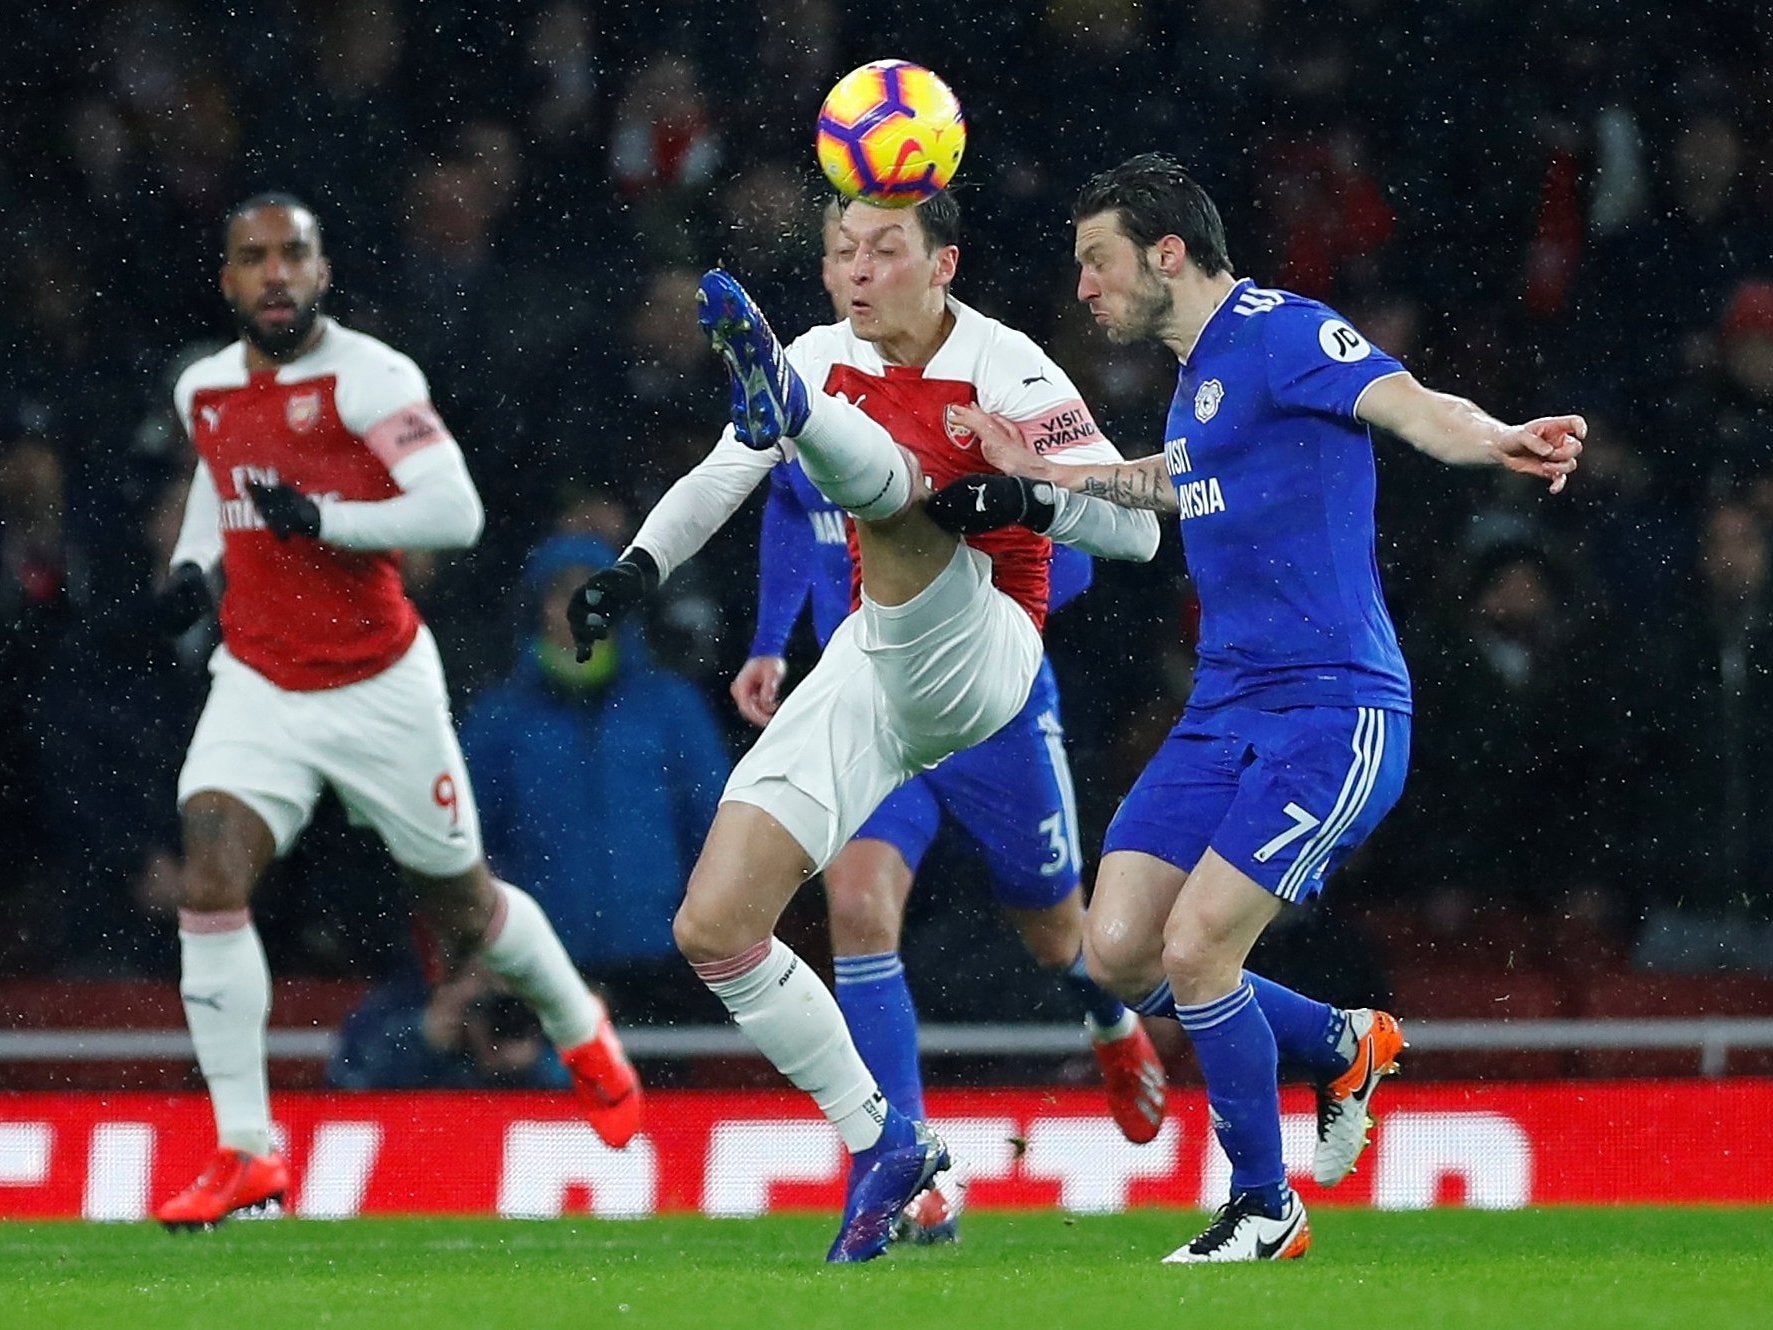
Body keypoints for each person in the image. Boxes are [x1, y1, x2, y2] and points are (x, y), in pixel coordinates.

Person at [953, 154, 1582, 1263]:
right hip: (1223, 712)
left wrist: (1498, 440)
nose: (1087, 288)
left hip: (1332, 711)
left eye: (1097, 263)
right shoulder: (1198, 380)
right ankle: (1340, 1040)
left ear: (1166, 253)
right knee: (1116, 952)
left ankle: (1262, 1204)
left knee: (1200, 946)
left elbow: (1413, 405)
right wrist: (1038, 481)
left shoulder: (1284, 330)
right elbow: (1175, 479)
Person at [569, 190, 1161, 1262]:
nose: (856, 268)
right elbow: (722, 478)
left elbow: (1136, 531)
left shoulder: (1010, 367)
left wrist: (1028, 495)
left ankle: (1110, 1018)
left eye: (884, 248)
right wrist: (636, 566)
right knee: (715, 925)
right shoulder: (818, 347)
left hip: (986, 659)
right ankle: (888, 1139)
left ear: (944, 265)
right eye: (842, 248)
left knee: (1057, 931)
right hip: (869, 668)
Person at [151, 194, 642, 1231]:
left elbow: (454, 511)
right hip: (261, 681)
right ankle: (246, 1149)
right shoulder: (205, 387)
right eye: (254, 258)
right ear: (229, 279)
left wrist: (327, 518)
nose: (276, 274)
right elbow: (219, 481)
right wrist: (196, 567)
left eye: (294, 255)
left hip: (379, 685)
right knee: (209, 866)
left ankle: (579, 1025)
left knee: (466, 910)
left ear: (323, 271)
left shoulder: (373, 380)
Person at [459, 531, 731, 1022]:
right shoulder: (501, 719)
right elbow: (468, 845)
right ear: (537, 607)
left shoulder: (671, 708)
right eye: (563, 589)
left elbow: (719, 831)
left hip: (668, 964)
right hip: (543, 964)